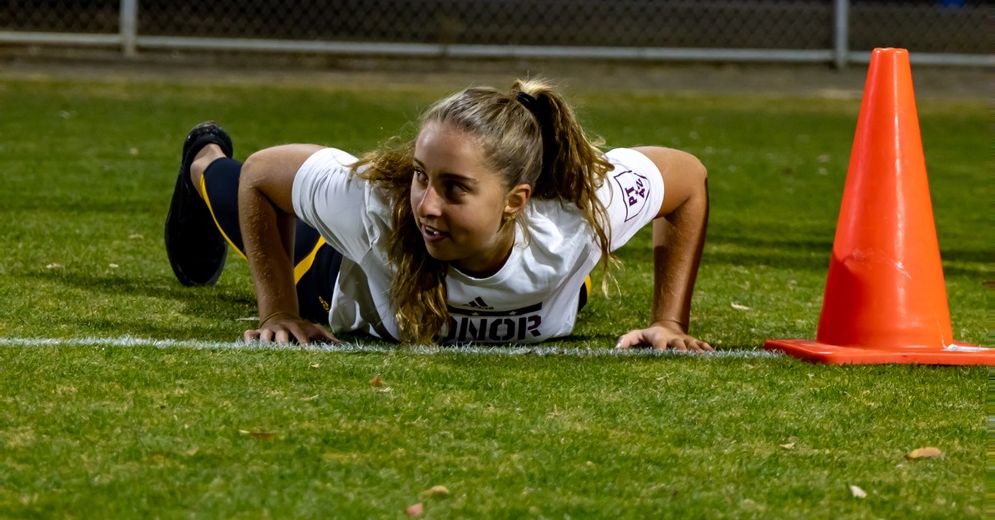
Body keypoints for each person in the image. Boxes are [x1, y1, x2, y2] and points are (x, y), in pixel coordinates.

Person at [164, 79, 712, 351]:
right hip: (335, 271)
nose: (426, 203)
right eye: (423, 176)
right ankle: (202, 157)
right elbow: (263, 176)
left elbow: (686, 179)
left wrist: (670, 322)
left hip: (528, 261)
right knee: (239, 191)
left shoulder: (573, 218)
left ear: (517, 201)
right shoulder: (373, 208)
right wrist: (276, 310)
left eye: (455, 188)